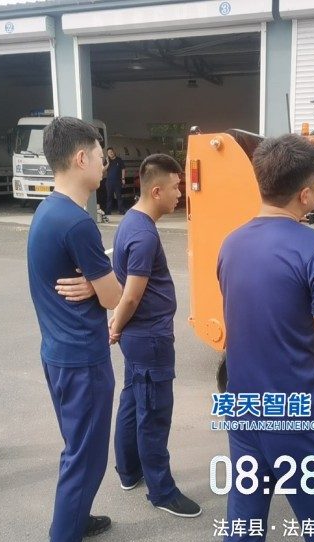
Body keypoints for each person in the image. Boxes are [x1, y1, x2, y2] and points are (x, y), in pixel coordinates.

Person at [217, 134, 314, 542]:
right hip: (299, 417)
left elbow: (262, 307)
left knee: (244, 523)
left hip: (244, 408)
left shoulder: (231, 243)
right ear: (306, 195)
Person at [27, 117, 122, 542]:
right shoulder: (77, 223)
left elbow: (93, 287)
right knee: (85, 460)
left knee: (77, 449)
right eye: (101, 157)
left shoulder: (48, 210)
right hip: (82, 359)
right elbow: (114, 296)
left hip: (58, 352)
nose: (105, 165)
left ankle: (75, 518)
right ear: (81, 158)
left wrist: (93, 284)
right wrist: (100, 285)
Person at [105, 154, 202, 517]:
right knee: (155, 414)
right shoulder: (144, 234)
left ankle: (129, 471)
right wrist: (116, 325)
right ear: (157, 190)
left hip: (139, 337)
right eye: (176, 187)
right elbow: (131, 295)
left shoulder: (131, 222)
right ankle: (162, 491)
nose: (180, 194)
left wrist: (119, 325)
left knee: (133, 402)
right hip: (150, 339)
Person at [105, 147, 126, 215]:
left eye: (111, 152)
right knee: (109, 197)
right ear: (107, 154)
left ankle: (121, 211)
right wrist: (108, 163)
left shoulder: (119, 160)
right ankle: (108, 211)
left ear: (114, 152)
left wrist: (123, 178)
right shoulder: (107, 161)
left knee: (119, 196)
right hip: (109, 182)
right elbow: (103, 169)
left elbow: (123, 169)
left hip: (118, 181)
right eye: (109, 153)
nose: (110, 153)